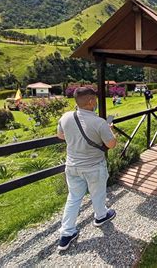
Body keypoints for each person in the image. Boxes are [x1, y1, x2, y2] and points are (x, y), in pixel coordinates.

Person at [56, 87, 117, 251]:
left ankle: (66, 233)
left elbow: (61, 136)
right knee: (97, 193)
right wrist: (110, 130)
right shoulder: (99, 122)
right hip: (94, 167)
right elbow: (111, 144)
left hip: (72, 166)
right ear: (91, 101)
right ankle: (100, 216)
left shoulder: (65, 117)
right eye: (95, 100)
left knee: (74, 197)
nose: (96, 103)